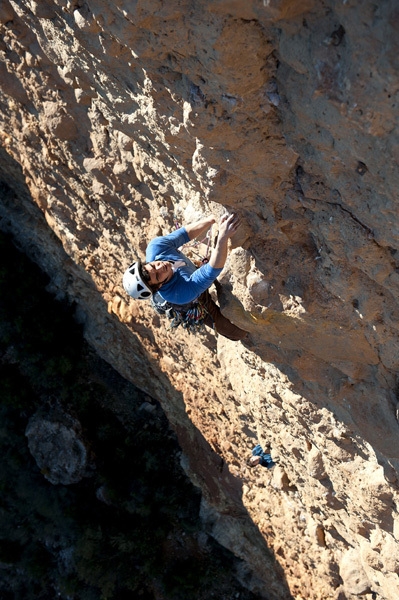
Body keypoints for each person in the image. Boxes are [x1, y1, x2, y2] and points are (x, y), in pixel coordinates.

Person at [122, 213, 248, 340]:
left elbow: (184, 234)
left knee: (211, 257)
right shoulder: (179, 294)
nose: (160, 267)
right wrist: (223, 237)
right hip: (194, 300)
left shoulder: (156, 248)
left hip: (189, 273)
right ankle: (245, 336)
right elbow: (212, 270)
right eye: (158, 276)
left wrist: (210, 220)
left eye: (153, 266)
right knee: (228, 329)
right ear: (159, 286)